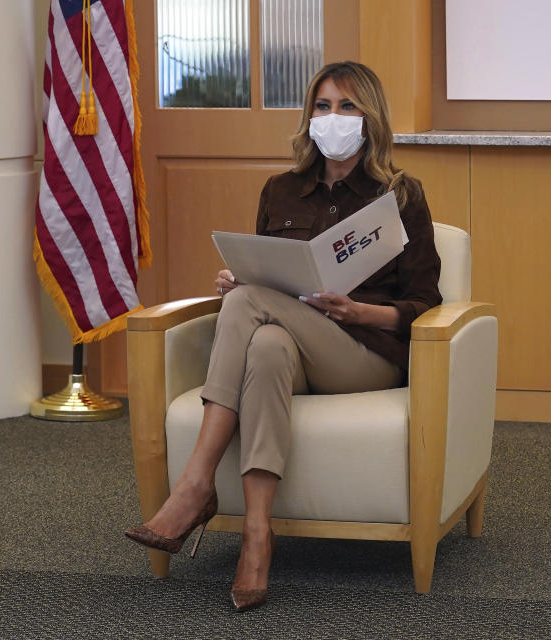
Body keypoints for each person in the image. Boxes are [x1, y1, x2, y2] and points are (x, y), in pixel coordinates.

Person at [125, 61, 442, 612]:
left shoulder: (401, 196)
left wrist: (358, 312)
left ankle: (195, 484)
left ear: (371, 119)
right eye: (323, 106)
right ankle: (256, 535)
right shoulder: (280, 191)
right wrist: (241, 281)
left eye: (347, 107)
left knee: (251, 304)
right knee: (265, 341)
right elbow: (267, 282)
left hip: (364, 355)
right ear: (308, 116)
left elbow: (425, 305)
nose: (333, 117)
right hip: (292, 348)